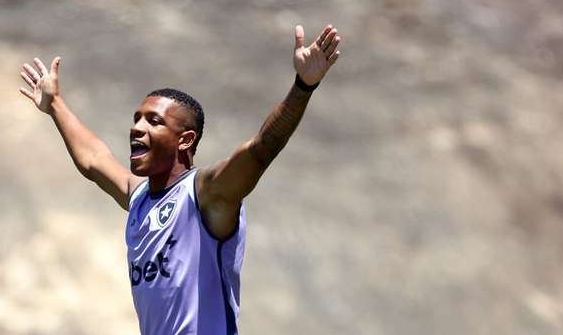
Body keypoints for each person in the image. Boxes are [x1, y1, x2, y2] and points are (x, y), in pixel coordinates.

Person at [19, 24, 342, 335]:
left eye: (153, 121)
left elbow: (262, 148)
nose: (136, 128)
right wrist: (55, 104)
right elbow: (93, 160)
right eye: (136, 119)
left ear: (185, 140)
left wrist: (303, 87)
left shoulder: (206, 195)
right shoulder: (140, 197)